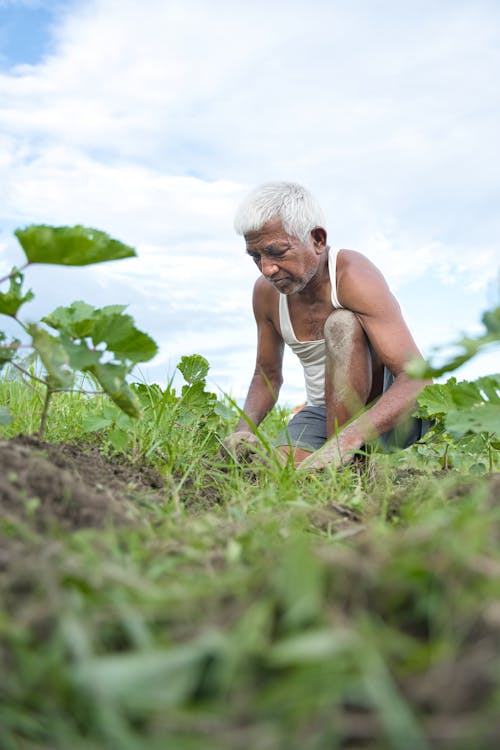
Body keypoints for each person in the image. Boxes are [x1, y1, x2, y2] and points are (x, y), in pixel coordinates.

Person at [225, 181, 430, 470]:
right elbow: (267, 375)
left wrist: (347, 440)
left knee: (341, 324)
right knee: (275, 471)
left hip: (389, 411)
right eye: (256, 256)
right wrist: (243, 429)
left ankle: (350, 461)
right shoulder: (265, 295)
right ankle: (339, 461)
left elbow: (417, 378)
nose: (267, 268)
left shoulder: (352, 275)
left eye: (277, 252)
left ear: (317, 240)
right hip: (323, 413)